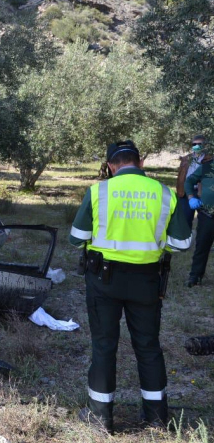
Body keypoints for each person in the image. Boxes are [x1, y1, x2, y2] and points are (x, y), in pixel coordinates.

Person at [69, 140, 192, 432]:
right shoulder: (163, 193)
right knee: (148, 347)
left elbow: (76, 238)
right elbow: (181, 243)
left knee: (104, 346)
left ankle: (100, 418)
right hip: (146, 281)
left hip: (104, 280)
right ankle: (156, 418)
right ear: (140, 163)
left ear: (111, 166)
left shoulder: (98, 191)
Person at [184, 135, 214, 287]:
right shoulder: (207, 166)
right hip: (208, 214)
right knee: (201, 246)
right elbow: (189, 181)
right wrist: (191, 197)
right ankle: (195, 276)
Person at [175, 135, 208, 230]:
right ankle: (187, 238)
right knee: (185, 220)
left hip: (203, 192)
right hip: (186, 192)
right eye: (194, 144)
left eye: (199, 144)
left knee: (205, 221)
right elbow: (181, 176)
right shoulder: (186, 159)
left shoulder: (209, 159)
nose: (196, 146)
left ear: (205, 145)